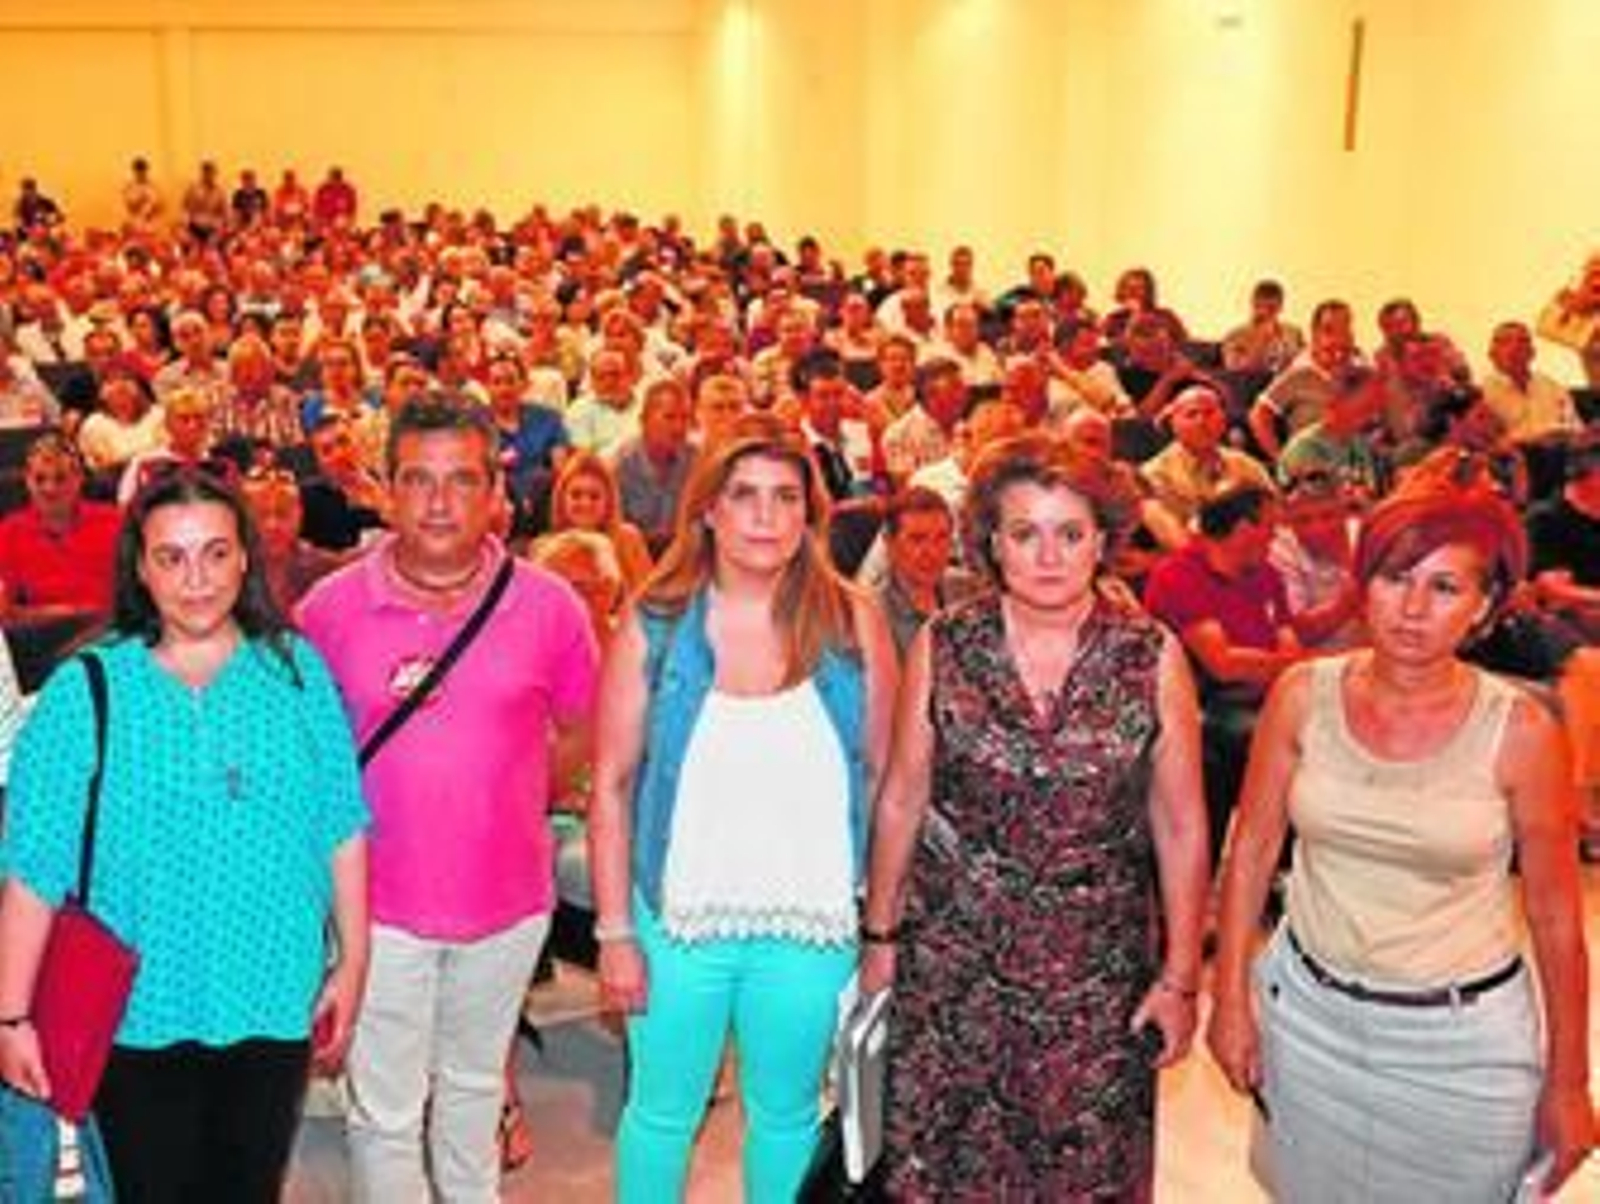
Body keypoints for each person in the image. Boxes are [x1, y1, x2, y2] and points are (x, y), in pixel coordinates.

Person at [1207, 480, 1597, 1201]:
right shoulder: (1303, 695)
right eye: (1395, 578)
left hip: (1461, 1046)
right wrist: (1229, 999)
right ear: (1364, 583)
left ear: (1483, 607)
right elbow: (1253, 852)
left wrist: (1569, 1084)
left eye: (1445, 586)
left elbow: (1555, 921)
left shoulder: (1522, 731)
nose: (1414, 609)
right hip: (1310, 1020)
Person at [0, 467, 369, 1201]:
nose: (196, 578)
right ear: (140, 565)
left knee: (248, 1188)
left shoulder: (296, 674)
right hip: (138, 1007)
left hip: (271, 989)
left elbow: (342, 823)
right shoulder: (88, 690)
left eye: (215, 552)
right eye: (172, 557)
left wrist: (353, 960)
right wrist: (10, 1013)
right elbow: (33, 866)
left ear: (244, 558)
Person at [858, 433, 1208, 1198]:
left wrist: (1183, 979)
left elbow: (1181, 826)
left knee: (1085, 1173)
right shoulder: (946, 643)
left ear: (1103, 543)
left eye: (1070, 533)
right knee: (950, 1169)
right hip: (956, 960)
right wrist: (880, 938)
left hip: (1098, 971)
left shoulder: (1151, 655)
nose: (1048, 556)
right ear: (991, 543)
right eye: (1025, 534)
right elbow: (902, 796)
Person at [589, 412, 897, 1202]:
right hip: (676, 924)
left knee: (787, 1116)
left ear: (810, 514)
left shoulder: (854, 621)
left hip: (812, 925)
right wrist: (615, 932)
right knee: (662, 1113)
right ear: (709, 511)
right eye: (744, 495)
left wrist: (883, 930)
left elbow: (885, 781)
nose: (765, 516)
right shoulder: (655, 625)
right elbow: (613, 784)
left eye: (786, 497)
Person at [298, 397, 598, 1202]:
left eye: (461, 480)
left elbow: (578, 730)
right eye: (418, 480)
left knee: (472, 1096)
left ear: (494, 492)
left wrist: (506, 804)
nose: (438, 502)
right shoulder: (327, 612)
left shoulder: (549, 606)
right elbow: (300, 755)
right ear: (386, 491)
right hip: (377, 913)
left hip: (506, 905)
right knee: (385, 1115)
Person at [548, 450, 655, 592]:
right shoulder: (546, 548)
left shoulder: (628, 538)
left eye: (594, 496)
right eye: (576, 495)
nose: (585, 503)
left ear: (609, 502)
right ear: (561, 500)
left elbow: (650, 598)